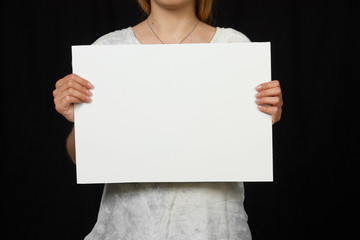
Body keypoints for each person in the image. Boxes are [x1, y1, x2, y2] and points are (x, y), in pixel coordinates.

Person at [53, 0, 283, 239]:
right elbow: (81, 157)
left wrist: (263, 120)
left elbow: (245, 149)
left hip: (214, 230)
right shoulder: (108, 49)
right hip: (126, 230)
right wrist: (81, 122)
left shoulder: (236, 48)